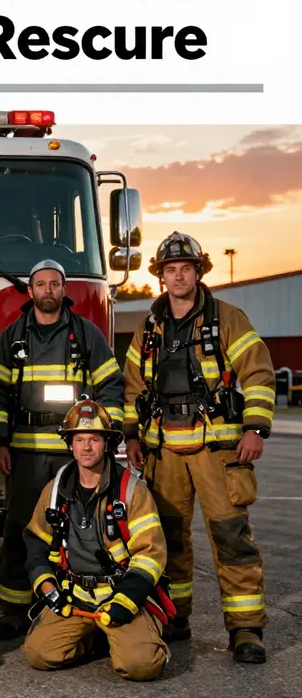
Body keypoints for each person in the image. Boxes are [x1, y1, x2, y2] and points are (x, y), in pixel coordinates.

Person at [123, 232, 274, 664]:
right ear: (162, 277)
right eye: (170, 270)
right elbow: (133, 386)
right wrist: (132, 436)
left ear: (199, 272)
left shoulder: (228, 318)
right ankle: (175, 617)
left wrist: (255, 429)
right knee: (168, 539)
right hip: (164, 453)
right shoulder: (149, 328)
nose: (178, 277)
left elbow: (258, 373)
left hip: (218, 451)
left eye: (186, 269)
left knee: (231, 538)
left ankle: (245, 629)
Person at [0, 259, 124, 638]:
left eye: (54, 284)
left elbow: (111, 386)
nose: (47, 290)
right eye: (41, 284)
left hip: (75, 454)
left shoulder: (87, 334)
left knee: (78, 529)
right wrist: (0, 442)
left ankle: (71, 606)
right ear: (30, 291)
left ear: (64, 290)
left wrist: (106, 440)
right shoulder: (13, 338)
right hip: (27, 452)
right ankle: (15, 609)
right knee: (21, 529)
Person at [22, 398, 171, 681]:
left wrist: (125, 601)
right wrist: (49, 588)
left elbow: (150, 554)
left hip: (121, 597)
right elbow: (36, 541)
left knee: (141, 666)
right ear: (70, 445)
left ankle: (138, 635)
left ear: (107, 444)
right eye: (79, 439)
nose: (87, 447)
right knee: (38, 654)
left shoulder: (132, 491)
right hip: (75, 597)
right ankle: (96, 637)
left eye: (94, 439)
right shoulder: (55, 491)